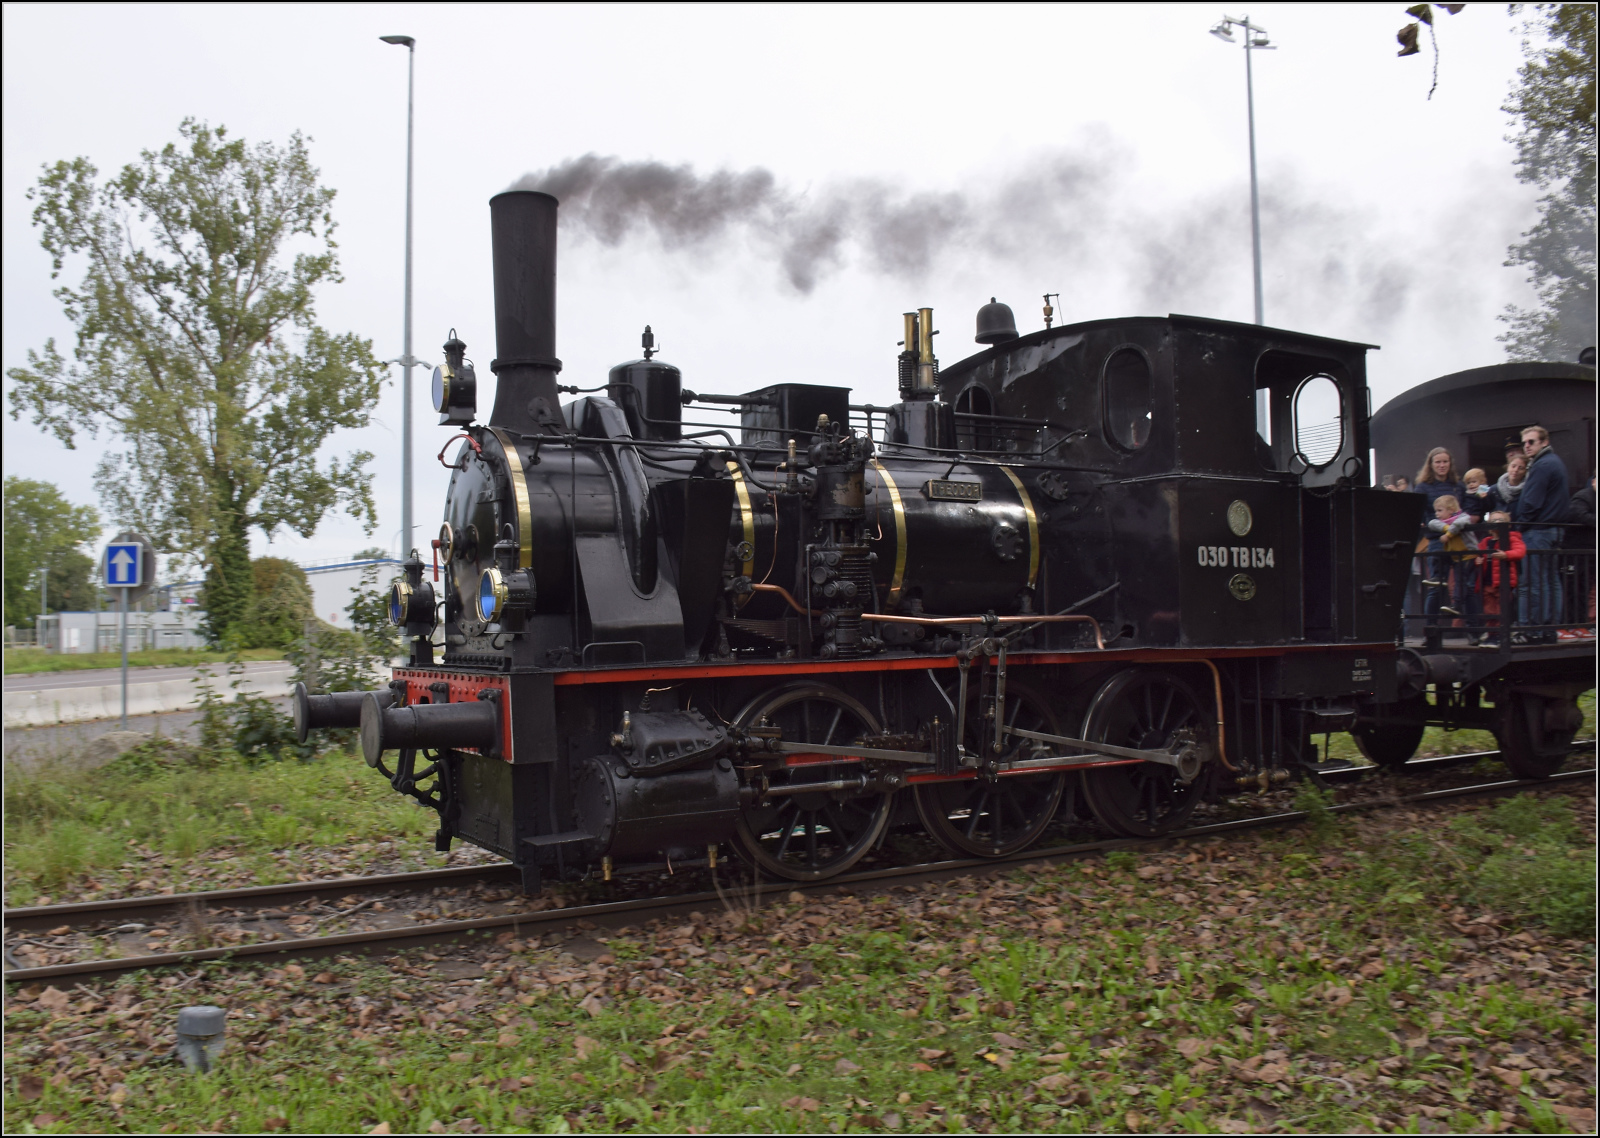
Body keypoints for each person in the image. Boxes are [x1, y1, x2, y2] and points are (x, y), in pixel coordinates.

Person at [1510, 425, 1569, 643]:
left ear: (1544, 442)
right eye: (1524, 442)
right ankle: (1548, 629)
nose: (1526, 446)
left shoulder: (1542, 465)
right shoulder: (1555, 463)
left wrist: (1520, 527)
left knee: (1536, 582)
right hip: (1553, 530)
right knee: (1550, 580)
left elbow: (1531, 503)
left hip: (1538, 530)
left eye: (1531, 442)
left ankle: (1534, 630)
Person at [1421, 494, 1476, 648]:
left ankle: (1457, 605)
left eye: (1440, 511)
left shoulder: (1462, 517)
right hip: (1456, 555)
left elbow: (1462, 523)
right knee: (1443, 567)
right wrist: (1448, 529)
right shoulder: (1444, 521)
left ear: (1451, 510)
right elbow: (1432, 523)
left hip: (1467, 555)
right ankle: (1437, 577)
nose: (1437, 514)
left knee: (1462, 582)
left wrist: (1449, 534)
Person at [1474, 510, 1525, 646]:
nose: (1497, 523)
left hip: (1503, 582)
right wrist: (1477, 560)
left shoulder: (1511, 538)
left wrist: (1506, 555)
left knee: (1501, 609)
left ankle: (1500, 635)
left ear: (1508, 525)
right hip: (1487, 582)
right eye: (1493, 521)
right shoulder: (1486, 541)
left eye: (1501, 520)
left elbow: (1520, 551)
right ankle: (1492, 634)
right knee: (1489, 610)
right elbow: (1478, 554)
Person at [1415, 448, 1464, 514]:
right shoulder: (1421, 488)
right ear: (1431, 465)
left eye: (1445, 461)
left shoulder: (1459, 486)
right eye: (1438, 462)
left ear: (1450, 464)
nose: (1442, 465)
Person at [1487, 449, 1527, 516]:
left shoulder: (1527, 489)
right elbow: (1482, 504)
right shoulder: (1494, 489)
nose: (1516, 470)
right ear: (1508, 467)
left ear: (1525, 471)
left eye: (1521, 468)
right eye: (1513, 466)